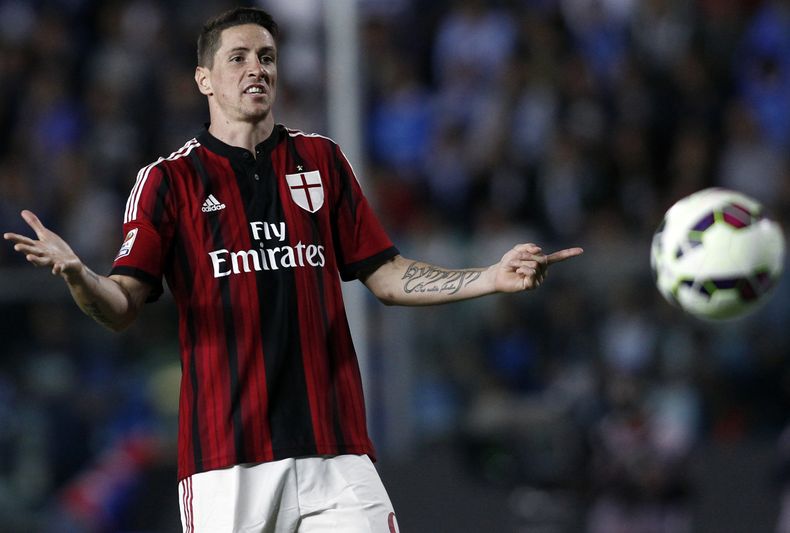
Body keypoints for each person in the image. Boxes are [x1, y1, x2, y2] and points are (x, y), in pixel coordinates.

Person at [4, 6, 583, 533]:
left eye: (266, 56)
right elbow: (122, 305)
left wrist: (489, 277)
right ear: (204, 79)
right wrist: (78, 275)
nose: (256, 68)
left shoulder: (320, 161)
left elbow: (385, 275)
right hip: (227, 463)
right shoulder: (169, 181)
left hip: (337, 452)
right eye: (238, 58)